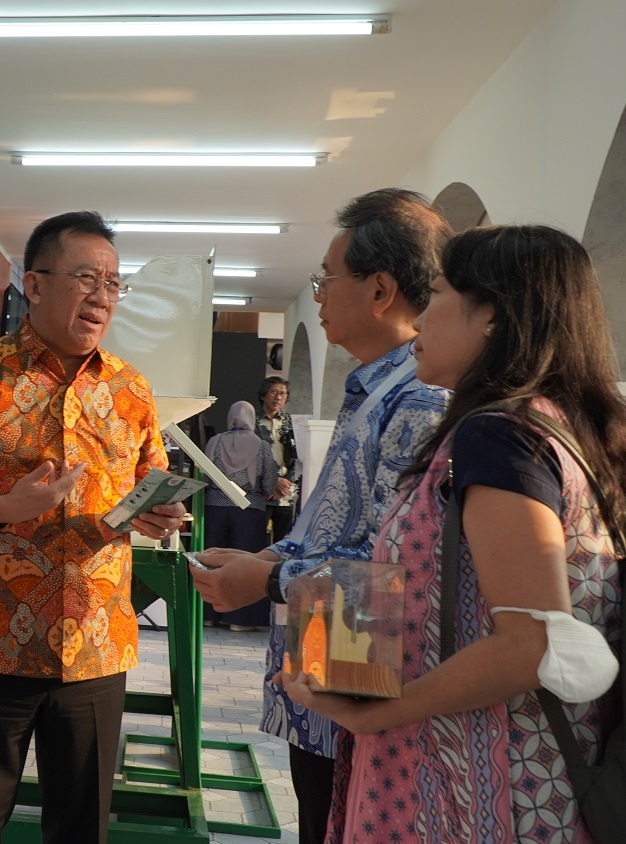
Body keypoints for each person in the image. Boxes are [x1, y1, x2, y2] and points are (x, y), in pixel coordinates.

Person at [281, 224, 626, 842]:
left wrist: (380, 712)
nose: (419, 319)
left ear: (492, 316)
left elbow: (529, 641)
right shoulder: (552, 425)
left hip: (480, 785)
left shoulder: (500, 436)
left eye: (434, 296)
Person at [0, 210, 186, 844]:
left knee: (82, 829)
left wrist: (161, 514)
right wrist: (0, 508)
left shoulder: (131, 389)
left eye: (113, 283)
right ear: (34, 284)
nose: (102, 296)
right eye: (86, 278)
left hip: (96, 647)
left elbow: (151, 482)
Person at [189, 188, 451, 844]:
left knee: (337, 817)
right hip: (331, 663)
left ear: (380, 290)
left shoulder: (419, 399)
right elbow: (339, 522)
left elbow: (395, 562)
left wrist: (265, 578)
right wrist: (263, 559)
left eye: (327, 279)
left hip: (362, 674)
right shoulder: (376, 387)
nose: (320, 295)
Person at [202, 400, 278, 630]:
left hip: (215, 507)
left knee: (212, 561)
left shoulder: (215, 441)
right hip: (249, 510)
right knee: (246, 562)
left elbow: (204, 475)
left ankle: (208, 615)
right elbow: (270, 483)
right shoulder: (261, 446)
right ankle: (239, 620)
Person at [255, 376, 300, 544]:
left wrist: (285, 482)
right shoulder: (252, 421)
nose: (278, 397)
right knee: (257, 540)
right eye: (274, 392)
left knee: (284, 541)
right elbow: (250, 457)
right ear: (263, 395)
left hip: (286, 492)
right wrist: (273, 480)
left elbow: (298, 456)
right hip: (262, 492)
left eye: (282, 393)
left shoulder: (291, 422)